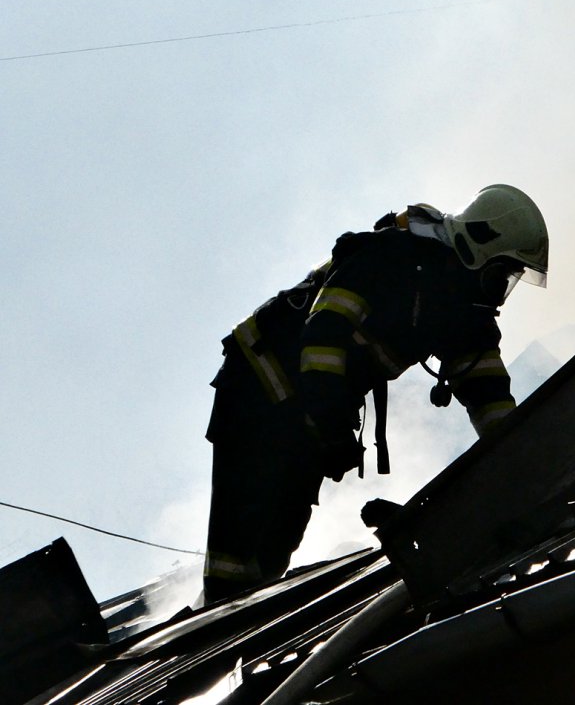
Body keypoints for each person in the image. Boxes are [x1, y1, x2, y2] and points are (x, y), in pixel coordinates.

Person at [202, 184, 549, 602]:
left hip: (309, 410)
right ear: (477, 244)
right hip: (257, 388)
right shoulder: (388, 258)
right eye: (502, 273)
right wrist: (332, 428)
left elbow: (489, 394)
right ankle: (209, 624)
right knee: (238, 545)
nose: (501, 289)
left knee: (276, 542)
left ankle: (239, 614)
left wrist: (525, 463)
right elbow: (324, 337)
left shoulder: (461, 310)